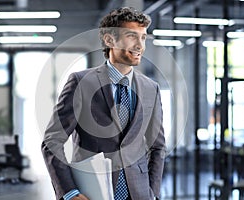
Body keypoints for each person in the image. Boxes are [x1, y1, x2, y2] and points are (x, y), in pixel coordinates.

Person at [41, 7, 166, 200]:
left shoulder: (151, 88)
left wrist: (153, 192)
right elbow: (52, 141)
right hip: (94, 192)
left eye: (143, 38)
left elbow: (157, 147)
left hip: (140, 194)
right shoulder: (81, 82)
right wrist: (70, 192)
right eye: (132, 36)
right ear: (109, 40)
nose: (140, 45)